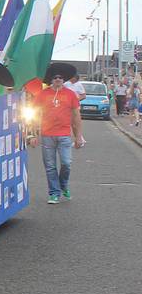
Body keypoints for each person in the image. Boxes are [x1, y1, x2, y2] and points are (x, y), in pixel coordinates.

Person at [29, 63, 85, 205]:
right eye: (55, 77)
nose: (58, 79)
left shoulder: (71, 94)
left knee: (66, 163)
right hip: (47, 135)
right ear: (51, 79)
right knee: (50, 166)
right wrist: (32, 134)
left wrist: (78, 136)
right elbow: (34, 114)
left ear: (64, 79)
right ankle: (54, 193)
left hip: (64, 135)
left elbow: (76, 117)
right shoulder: (43, 94)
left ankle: (63, 185)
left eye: (60, 77)